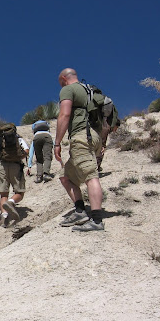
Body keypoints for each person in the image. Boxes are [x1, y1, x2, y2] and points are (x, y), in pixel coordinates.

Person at [54, 68, 104, 231]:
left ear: (64, 78)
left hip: (81, 136)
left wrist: (57, 143)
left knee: (90, 176)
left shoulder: (68, 89)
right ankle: (80, 210)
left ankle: (97, 221)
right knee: (65, 176)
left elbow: (64, 115)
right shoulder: (89, 89)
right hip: (95, 136)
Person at [0, 123, 29, 227]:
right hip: (16, 165)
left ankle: (4, 217)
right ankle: (11, 202)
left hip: (2, 166)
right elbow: (26, 151)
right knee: (20, 192)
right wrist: (17, 157)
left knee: (3, 194)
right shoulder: (18, 139)